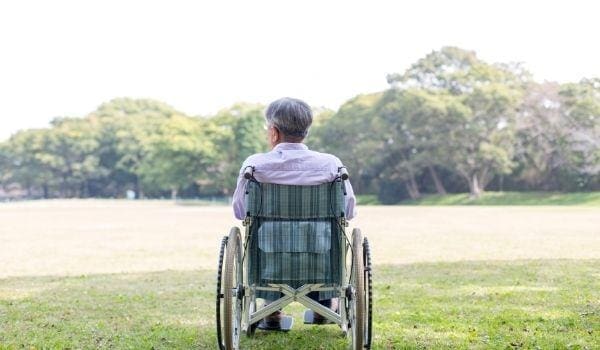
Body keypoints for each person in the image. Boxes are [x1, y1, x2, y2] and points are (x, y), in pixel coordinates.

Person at [232, 97, 356, 326]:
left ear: (274, 132)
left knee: (272, 239)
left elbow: (240, 212)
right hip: (322, 257)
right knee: (320, 238)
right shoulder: (331, 164)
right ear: (305, 131)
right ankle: (325, 307)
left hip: (269, 262)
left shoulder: (255, 165)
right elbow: (348, 212)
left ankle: (271, 310)